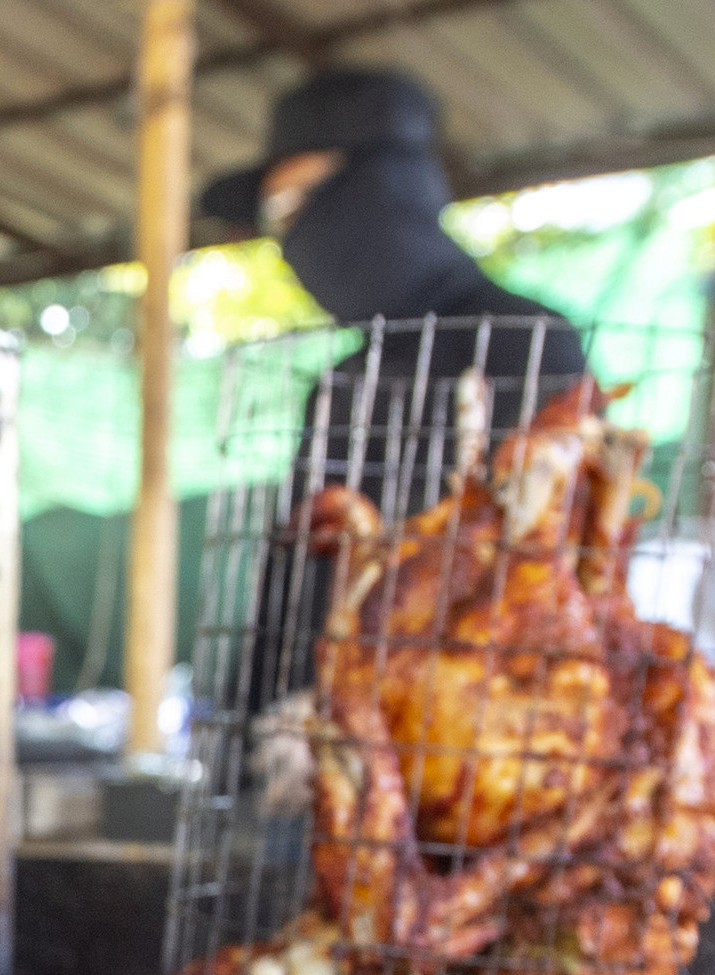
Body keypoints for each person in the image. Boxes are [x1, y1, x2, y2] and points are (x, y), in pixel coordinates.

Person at [200, 67, 592, 730]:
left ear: (377, 188)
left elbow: (555, 566)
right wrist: (253, 727)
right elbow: (295, 585)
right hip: (327, 746)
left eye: (297, 207)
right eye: (276, 219)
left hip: (484, 743)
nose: (289, 239)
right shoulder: (343, 385)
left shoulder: (523, 341)